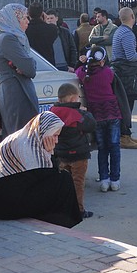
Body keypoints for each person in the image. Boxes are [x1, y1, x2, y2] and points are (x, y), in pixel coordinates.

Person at [0, 111, 82, 228]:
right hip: (3, 206)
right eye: (54, 135)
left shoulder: (23, 138)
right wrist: (50, 153)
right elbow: (53, 174)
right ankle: (63, 222)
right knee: (63, 179)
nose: (56, 141)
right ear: (44, 131)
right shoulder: (28, 147)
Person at [76, 46, 122, 192]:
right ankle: (115, 179)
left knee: (102, 148)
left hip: (97, 116)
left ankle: (104, 179)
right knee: (114, 147)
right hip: (113, 113)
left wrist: (82, 63)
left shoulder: (83, 74)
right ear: (102, 61)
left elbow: (78, 70)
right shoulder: (108, 72)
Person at [0, 3, 38, 137]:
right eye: (24, 18)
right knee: (21, 138)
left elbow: (28, 65)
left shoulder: (11, 38)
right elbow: (30, 69)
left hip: (17, 90)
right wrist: (28, 65)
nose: (27, 22)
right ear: (14, 20)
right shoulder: (8, 39)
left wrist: (28, 64)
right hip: (17, 93)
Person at [50, 83, 96, 219]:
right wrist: (84, 111)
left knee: (64, 183)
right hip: (78, 154)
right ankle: (79, 210)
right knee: (78, 183)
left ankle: (63, 208)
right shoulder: (76, 113)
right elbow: (91, 125)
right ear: (72, 99)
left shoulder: (52, 111)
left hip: (61, 154)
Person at [111, 7, 137, 149]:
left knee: (124, 103)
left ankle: (125, 134)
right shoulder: (127, 34)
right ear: (132, 16)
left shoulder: (119, 31)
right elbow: (130, 56)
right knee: (126, 104)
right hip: (126, 73)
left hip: (120, 71)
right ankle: (124, 136)